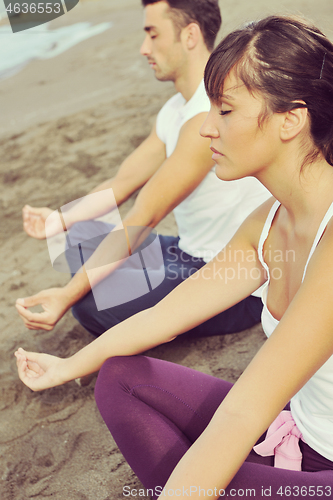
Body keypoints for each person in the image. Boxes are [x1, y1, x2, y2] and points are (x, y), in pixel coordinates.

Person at [15, 14, 333, 497]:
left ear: (292, 119)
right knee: (119, 378)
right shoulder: (269, 221)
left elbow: (245, 411)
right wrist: (65, 367)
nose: (206, 129)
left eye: (225, 111)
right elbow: (164, 317)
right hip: (294, 434)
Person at [15, 0, 270, 338]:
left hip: (230, 281)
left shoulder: (209, 118)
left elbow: (144, 216)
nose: (143, 48)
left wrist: (66, 295)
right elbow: (122, 183)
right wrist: (58, 220)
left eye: (153, 34)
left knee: (87, 306)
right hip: (187, 249)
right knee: (77, 236)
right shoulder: (174, 109)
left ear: (190, 34)